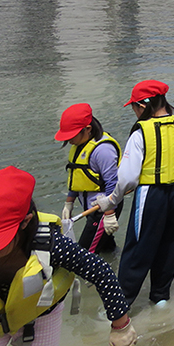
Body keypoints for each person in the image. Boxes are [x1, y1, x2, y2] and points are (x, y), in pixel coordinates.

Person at [0, 166, 137, 346]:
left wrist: (121, 326)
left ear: (25, 223)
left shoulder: (49, 244)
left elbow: (100, 271)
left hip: (41, 314)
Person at [95, 80, 174, 307]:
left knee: (137, 248)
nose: (134, 111)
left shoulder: (140, 133)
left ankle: (121, 306)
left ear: (142, 106)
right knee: (169, 243)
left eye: (133, 106)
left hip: (151, 195)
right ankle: (160, 298)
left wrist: (111, 201)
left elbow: (128, 178)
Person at [55, 103, 123, 254]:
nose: (69, 140)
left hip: (103, 209)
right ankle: (114, 264)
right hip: (91, 208)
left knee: (84, 255)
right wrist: (69, 203)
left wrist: (109, 213)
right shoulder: (79, 145)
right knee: (106, 248)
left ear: (88, 129)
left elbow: (113, 182)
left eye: (71, 135)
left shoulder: (103, 150)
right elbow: (76, 176)